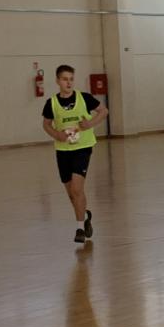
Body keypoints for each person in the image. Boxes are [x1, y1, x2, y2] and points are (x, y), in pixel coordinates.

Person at [41, 64, 107, 244]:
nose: (68, 83)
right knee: (71, 194)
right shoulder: (51, 103)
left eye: (71, 79)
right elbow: (46, 124)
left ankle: (79, 229)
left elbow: (103, 111)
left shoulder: (84, 98)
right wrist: (57, 134)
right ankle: (84, 216)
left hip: (83, 148)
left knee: (77, 189)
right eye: (65, 79)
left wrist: (90, 123)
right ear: (58, 81)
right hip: (63, 151)